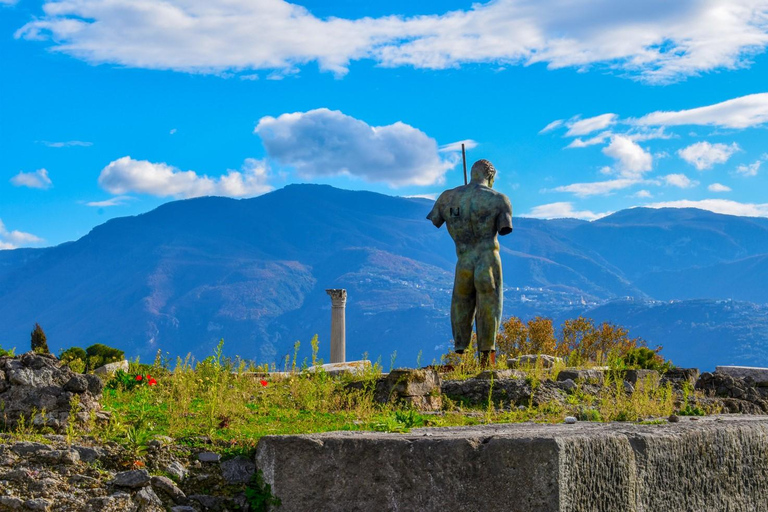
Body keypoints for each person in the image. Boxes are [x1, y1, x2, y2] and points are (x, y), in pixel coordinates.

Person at [427, 159, 513, 368]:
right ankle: (486, 359)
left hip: (463, 261)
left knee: (460, 303)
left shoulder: (447, 197)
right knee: (489, 306)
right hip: (487, 260)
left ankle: (460, 355)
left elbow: (436, 220)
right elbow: (504, 228)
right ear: (490, 177)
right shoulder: (499, 199)